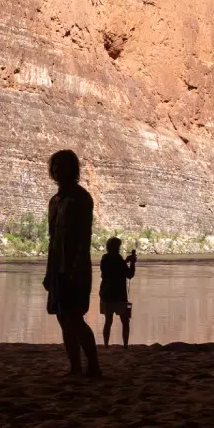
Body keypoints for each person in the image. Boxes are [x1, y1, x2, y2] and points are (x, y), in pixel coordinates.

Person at [44, 150, 101, 378]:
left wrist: (75, 269)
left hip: (76, 269)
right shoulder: (54, 201)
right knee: (63, 320)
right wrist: (49, 272)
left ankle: (94, 366)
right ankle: (75, 367)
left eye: (62, 166)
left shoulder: (82, 198)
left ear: (72, 169)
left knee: (75, 319)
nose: (57, 170)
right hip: (57, 269)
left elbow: (83, 239)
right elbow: (52, 240)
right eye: (55, 166)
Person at [99, 238, 137, 347]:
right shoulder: (118, 259)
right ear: (115, 247)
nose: (119, 249)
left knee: (108, 321)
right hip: (119, 295)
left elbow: (112, 270)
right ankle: (125, 345)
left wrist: (125, 261)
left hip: (107, 294)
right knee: (125, 321)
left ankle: (106, 345)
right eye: (118, 247)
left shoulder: (105, 258)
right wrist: (132, 263)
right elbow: (129, 274)